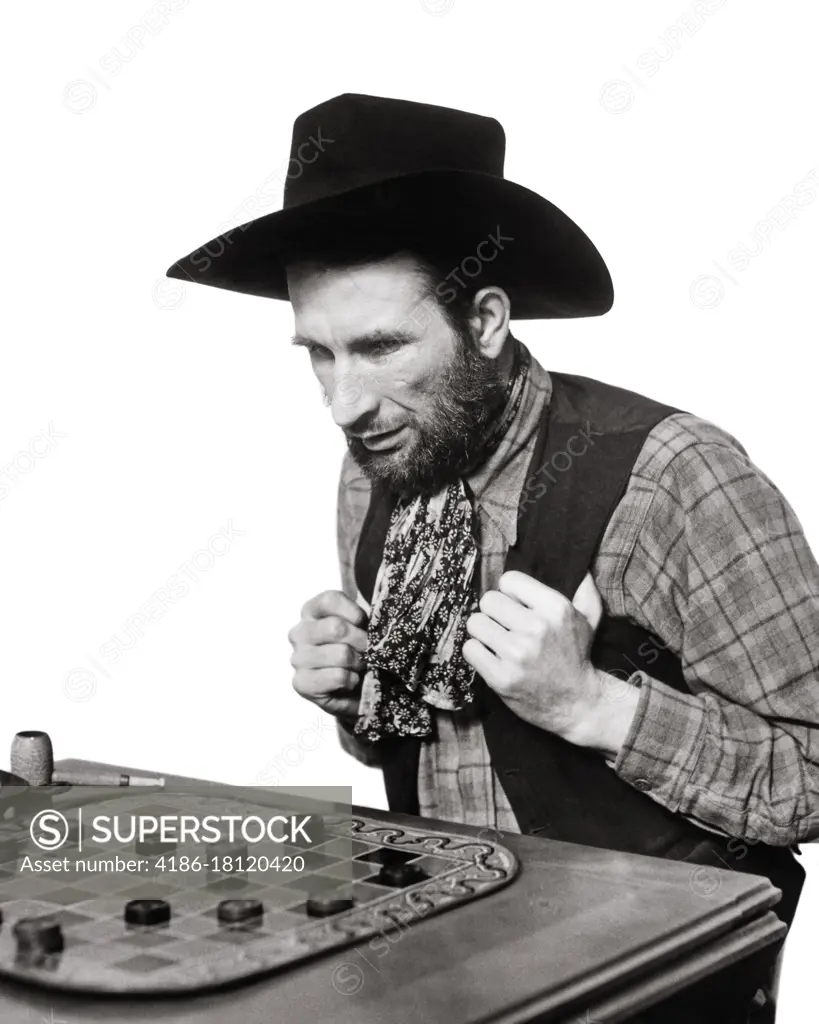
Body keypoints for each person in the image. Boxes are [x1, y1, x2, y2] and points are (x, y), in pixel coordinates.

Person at [167, 92, 819, 1022]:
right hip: (450, 961)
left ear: (485, 322)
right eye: (319, 353)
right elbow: (439, 754)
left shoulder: (675, 477)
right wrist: (358, 701)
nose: (344, 404)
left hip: (660, 980)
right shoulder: (374, 471)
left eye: (381, 347)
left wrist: (592, 704)